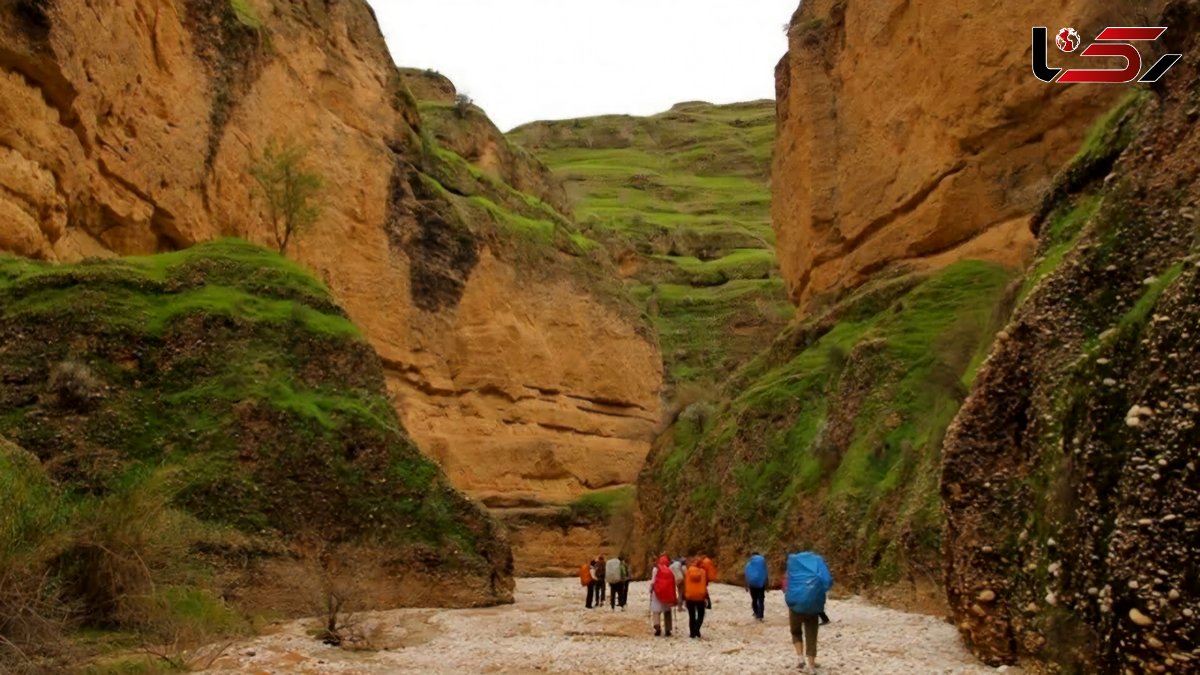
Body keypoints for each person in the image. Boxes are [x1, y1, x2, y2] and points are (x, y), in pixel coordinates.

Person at [783, 551, 834, 672]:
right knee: (811, 634)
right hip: (813, 605)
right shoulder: (818, 562)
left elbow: (786, 585)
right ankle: (811, 665)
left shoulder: (793, 564)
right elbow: (827, 581)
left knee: (796, 632)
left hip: (795, 604)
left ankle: (800, 658)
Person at [650, 555, 677, 636]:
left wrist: (650, 589)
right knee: (667, 611)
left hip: (657, 593)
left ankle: (657, 627)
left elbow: (653, 581)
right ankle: (668, 629)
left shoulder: (655, 569)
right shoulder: (670, 569)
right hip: (667, 593)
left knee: (656, 610)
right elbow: (673, 582)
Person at [683, 557, 710, 638]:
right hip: (700, 597)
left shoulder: (688, 571)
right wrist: (706, 596)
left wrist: (684, 596)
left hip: (690, 596)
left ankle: (692, 633)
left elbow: (685, 584)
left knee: (691, 616)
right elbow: (705, 584)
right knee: (701, 614)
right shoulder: (703, 572)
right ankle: (697, 628)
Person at [744, 552, 768, 621]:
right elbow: (766, 574)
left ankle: (756, 612)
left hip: (752, 585)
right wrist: (767, 584)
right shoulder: (763, 564)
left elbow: (746, 575)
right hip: (761, 584)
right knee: (761, 600)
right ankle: (760, 616)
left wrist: (746, 585)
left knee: (754, 599)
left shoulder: (749, 564)